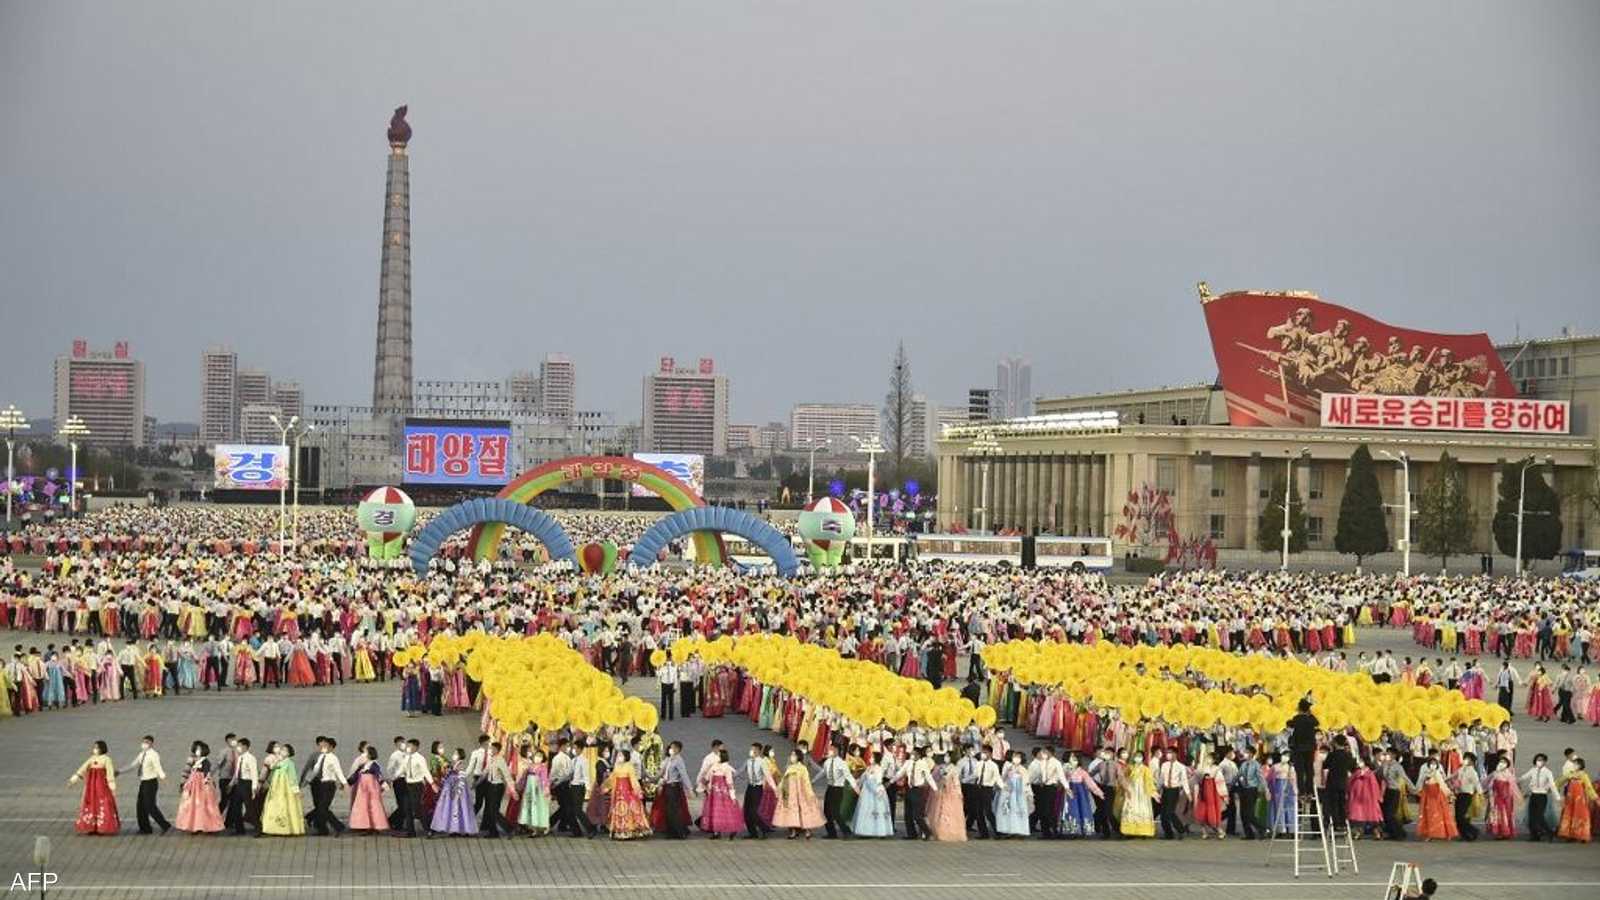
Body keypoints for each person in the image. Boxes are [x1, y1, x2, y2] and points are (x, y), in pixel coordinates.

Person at [119, 734, 171, 835]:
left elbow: (158, 768)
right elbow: (133, 765)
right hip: (143, 782)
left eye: (147, 742)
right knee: (140, 806)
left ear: (151, 743)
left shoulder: (154, 755)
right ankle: (145, 828)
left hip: (151, 782)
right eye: (143, 742)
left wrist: (163, 778)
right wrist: (120, 771)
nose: (144, 744)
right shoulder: (142, 754)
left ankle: (165, 825)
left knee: (150, 806)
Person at [68, 740, 120, 835]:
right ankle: (91, 826)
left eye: (97, 748)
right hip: (91, 787)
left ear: (102, 749)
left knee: (103, 804)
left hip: (102, 786)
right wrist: (73, 779)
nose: (95, 749)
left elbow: (110, 774)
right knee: (91, 804)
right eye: (94, 747)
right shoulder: (91, 759)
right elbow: (82, 769)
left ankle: (103, 827)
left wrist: (112, 787)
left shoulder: (107, 759)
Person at [174, 740, 224, 834]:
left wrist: (207, 783)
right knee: (192, 806)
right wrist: (183, 782)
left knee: (204, 806)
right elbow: (186, 771)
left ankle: (207, 826)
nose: (198, 751)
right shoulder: (192, 759)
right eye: (196, 749)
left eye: (199, 749)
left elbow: (207, 774)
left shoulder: (205, 761)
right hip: (192, 785)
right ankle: (193, 825)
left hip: (202, 787)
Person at [773, 749, 824, 839]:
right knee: (791, 812)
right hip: (790, 794)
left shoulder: (802, 768)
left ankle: (808, 831)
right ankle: (793, 831)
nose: (792, 757)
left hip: (801, 793)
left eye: (794, 755)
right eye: (791, 755)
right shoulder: (789, 768)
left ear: (798, 757)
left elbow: (806, 781)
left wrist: (810, 793)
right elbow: (784, 780)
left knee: (803, 811)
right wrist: (778, 788)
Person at [303, 736, 346, 837]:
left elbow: (338, 772)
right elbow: (315, 770)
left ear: (331, 747)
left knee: (323, 808)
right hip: (321, 785)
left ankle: (339, 827)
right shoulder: (321, 757)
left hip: (329, 785)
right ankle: (322, 829)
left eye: (325, 745)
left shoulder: (333, 758)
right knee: (321, 808)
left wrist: (344, 784)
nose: (323, 747)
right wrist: (307, 781)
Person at [605, 748, 652, 840]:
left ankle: (630, 830)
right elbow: (612, 778)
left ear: (626, 757)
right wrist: (606, 787)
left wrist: (637, 791)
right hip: (618, 792)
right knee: (619, 810)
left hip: (627, 791)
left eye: (621, 755)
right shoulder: (617, 766)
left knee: (630, 809)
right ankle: (619, 830)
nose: (619, 757)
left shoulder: (629, 766)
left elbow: (633, 780)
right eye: (618, 755)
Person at [259, 743, 305, 836]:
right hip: (275, 789)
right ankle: (272, 828)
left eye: (285, 751)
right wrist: (277, 760)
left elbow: (293, 778)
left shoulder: (289, 763)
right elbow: (271, 767)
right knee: (273, 806)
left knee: (285, 807)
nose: (282, 752)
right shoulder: (278, 762)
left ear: (289, 753)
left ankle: (286, 829)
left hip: (285, 790)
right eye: (282, 750)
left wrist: (296, 790)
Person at [430, 749, 477, 836]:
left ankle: (460, 828)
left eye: (455, 753)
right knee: (452, 807)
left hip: (457, 788)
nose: (454, 755)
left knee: (458, 807)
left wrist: (458, 790)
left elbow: (462, 777)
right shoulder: (453, 763)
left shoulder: (460, 764)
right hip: (450, 787)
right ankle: (454, 828)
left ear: (460, 755)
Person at [701, 749, 743, 839]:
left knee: (726, 810)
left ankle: (732, 829)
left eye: (719, 755)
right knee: (714, 811)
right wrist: (704, 784)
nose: (717, 757)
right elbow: (707, 777)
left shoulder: (726, 767)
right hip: (714, 793)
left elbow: (730, 782)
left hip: (723, 793)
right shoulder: (714, 766)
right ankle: (716, 832)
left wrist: (732, 795)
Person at [346, 746, 388, 834]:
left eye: (366, 753)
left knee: (373, 806)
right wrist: (347, 783)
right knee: (363, 806)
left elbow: (379, 775)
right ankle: (365, 825)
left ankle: (375, 825)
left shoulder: (374, 765)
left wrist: (383, 784)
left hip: (372, 788)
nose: (364, 755)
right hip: (362, 789)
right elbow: (355, 776)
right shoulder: (362, 766)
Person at [1415, 757, 1458, 841]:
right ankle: (1429, 834)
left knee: (1442, 815)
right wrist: (1417, 790)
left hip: (1438, 796)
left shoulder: (1438, 773)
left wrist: (1448, 793)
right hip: (1428, 797)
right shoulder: (1426, 773)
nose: (1433, 765)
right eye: (1431, 764)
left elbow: (1442, 785)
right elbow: (1420, 782)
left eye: (1434, 764)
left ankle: (1447, 833)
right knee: (1429, 815)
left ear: (1437, 765)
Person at [851, 756, 895, 838]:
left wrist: (878, 789)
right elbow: (862, 778)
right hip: (866, 791)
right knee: (865, 810)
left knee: (878, 810)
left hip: (876, 790)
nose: (870, 759)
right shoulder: (868, 768)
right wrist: (857, 785)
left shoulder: (878, 768)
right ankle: (865, 831)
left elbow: (878, 780)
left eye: (872, 757)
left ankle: (881, 831)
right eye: (870, 757)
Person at [815, 743, 852, 839]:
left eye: (832, 749)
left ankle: (846, 830)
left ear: (837, 750)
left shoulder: (842, 763)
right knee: (826, 811)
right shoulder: (827, 762)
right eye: (829, 749)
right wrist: (813, 781)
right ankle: (832, 833)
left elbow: (848, 776)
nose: (830, 751)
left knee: (835, 812)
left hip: (838, 788)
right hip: (830, 788)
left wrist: (856, 787)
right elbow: (823, 772)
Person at [1556, 757, 1596, 843]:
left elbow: (1589, 787)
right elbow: (1559, 781)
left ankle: (1583, 835)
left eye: (1576, 764)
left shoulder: (1584, 775)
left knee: (1581, 815)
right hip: (1570, 799)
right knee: (1570, 814)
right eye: (1574, 764)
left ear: (1581, 765)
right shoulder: (1570, 774)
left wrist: (1594, 797)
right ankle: (1570, 835)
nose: (1574, 765)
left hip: (1580, 800)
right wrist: (1553, 787)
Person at [225, 738, 259, 835]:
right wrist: (231, 784)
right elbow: (236, 773)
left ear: (245, 746)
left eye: (239, 746)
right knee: (236, 806)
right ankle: (239, 829)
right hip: (239, 783)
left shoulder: (251, 758)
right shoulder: (240, 758)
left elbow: (254, 773)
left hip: (247, 784)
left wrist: (254, 787)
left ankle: (258, 828)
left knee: (250, 807)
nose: (238, 748)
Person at [1520, 754, 1557, 842]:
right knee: (1532, 817)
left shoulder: (1548, 772)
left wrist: (1558, 797)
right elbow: (1524, 777)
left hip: (1542, 796)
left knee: (1539, 817)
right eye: (1537, 760)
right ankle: (1534, 836)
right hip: (1533, 796)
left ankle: (1550, 832)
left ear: (1545, 762)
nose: (1539, 762)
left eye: (1541, 760)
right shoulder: (1533, 770)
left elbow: (1552, 785)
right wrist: (1512, 780)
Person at [1286, 699, 1319, 795]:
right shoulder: (1311, 719)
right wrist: (1310, 714)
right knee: (1309, 770)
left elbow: (1289, 724)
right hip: (1309, 748)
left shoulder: (1297, 718)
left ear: (1299, 708)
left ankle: (1302, 791)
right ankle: (1310, 791)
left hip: (1298, 748)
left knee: (1299, 771)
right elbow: (1317, 723)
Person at [1156, 747, 1191, 840]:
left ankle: (1181, 830)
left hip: (1174, 790)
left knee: (1170, 812)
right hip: (1165, 790)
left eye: (1170, 753)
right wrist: (1157, 789)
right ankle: (1168, 834)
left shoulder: (1181, 767)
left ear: (1175, 754)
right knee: (1163, 814)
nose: (1168, 755)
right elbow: (1161, 779)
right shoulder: (1164, 765)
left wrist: (1188, 793)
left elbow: (1184, 781)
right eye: (1167, 753)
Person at [1120, 751, 1157, 838]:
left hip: (1142, 793)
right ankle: (1130, 831)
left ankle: (1143, 831)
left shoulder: (1146, 769)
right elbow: (1124, 778)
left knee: (1142, 808)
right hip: (1131, 791)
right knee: (1130, 808)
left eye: (1140, 756)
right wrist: (1125, 789)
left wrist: (1153, 792)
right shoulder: (1130, 768)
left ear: (1143, 758)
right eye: (1136, 756)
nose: (1137, 758)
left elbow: (1149, 782)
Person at [1453, 753, 1481, 842]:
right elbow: (1453, 775)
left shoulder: (1472, 772)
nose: (1465, 760)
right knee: (1457, 816)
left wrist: (1480, 793)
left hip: (1467, 794)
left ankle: (1473, 830)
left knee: (1461, 816)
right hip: (1459, 794)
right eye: (1465, 758)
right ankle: (1464, 835)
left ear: (1472, 762)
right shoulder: (1461, 769)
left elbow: (1477, 783)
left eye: (1467, 759)